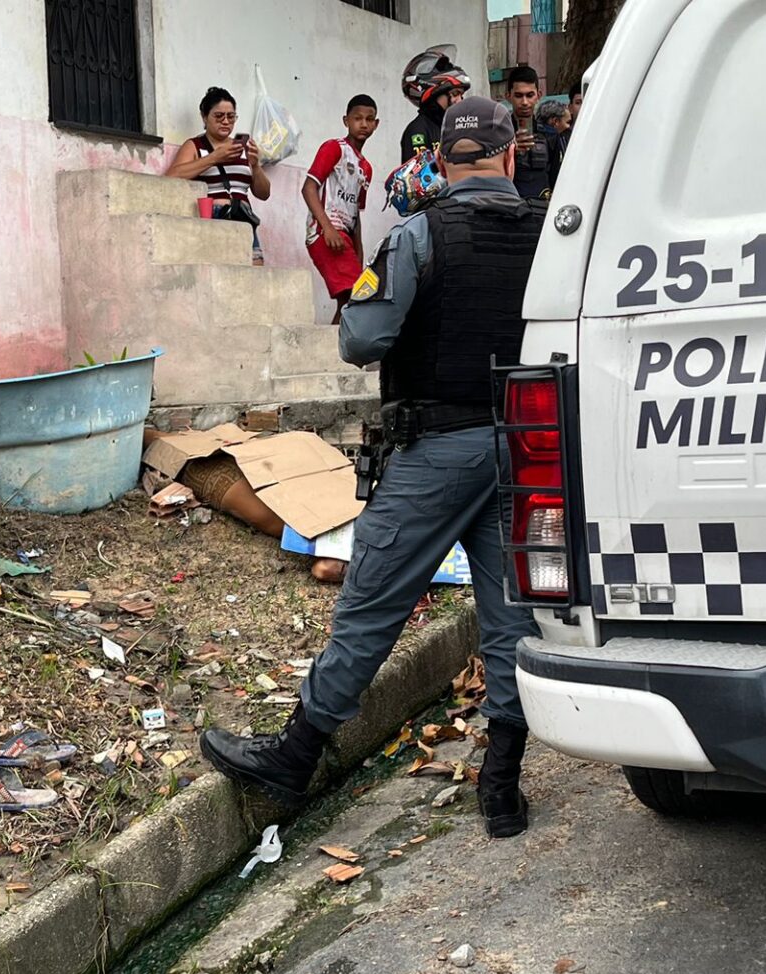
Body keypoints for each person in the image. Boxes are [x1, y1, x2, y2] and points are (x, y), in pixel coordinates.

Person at [201, 97, 545, 840]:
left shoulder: (421, 233)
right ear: (510, 158)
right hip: (522, 449)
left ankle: (292, 758)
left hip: (438, 448)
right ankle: (504, 786)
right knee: (511, 614)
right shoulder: (553, 237)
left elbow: (361, 340)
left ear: (442, 162)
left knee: (371, 603)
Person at [166, 87, 272, 265]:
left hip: (243, 218)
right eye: (219, 116)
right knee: (219, 268)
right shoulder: (195, 145)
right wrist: (214, 157)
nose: (225, 122)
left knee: (254, 270)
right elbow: (171, 177)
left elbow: (264, 193)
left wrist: (255, 165)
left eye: (231, 117)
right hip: (213, 216)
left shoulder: (245, 148)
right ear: (204, 117)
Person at [303, 94, 378, 322]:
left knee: (352, 298)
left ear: (376, 124)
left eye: (369, 119)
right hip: (326, 233)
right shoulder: (334, 148)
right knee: (353, 297)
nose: (363, 124)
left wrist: (360, 255)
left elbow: (356, 215)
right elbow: (308, 188)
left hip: (345, 237)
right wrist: (327, 228)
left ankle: (335, 350)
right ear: (346, 121)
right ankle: (336, 352)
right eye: (357, 118)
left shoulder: (366, 168)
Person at [399, 45, 471, 164]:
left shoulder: (452, 127)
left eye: (461, 95)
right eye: (455, 93)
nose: (460, 100)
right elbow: (420, 178)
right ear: (434, 94)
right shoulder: (418, 130)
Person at [505, 66, 551, 202]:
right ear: (508, 96)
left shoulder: (550, 134)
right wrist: (510, 149)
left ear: (539, 95)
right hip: (510, 205)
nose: (525, 102)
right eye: (519, 96)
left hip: (542, 205)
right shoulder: (497, 134)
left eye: (530, 95)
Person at [535, 97, 571, 195]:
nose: (569, 127)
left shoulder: (531, 137)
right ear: (555, 121)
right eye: (568, 122)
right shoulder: (555, 140)